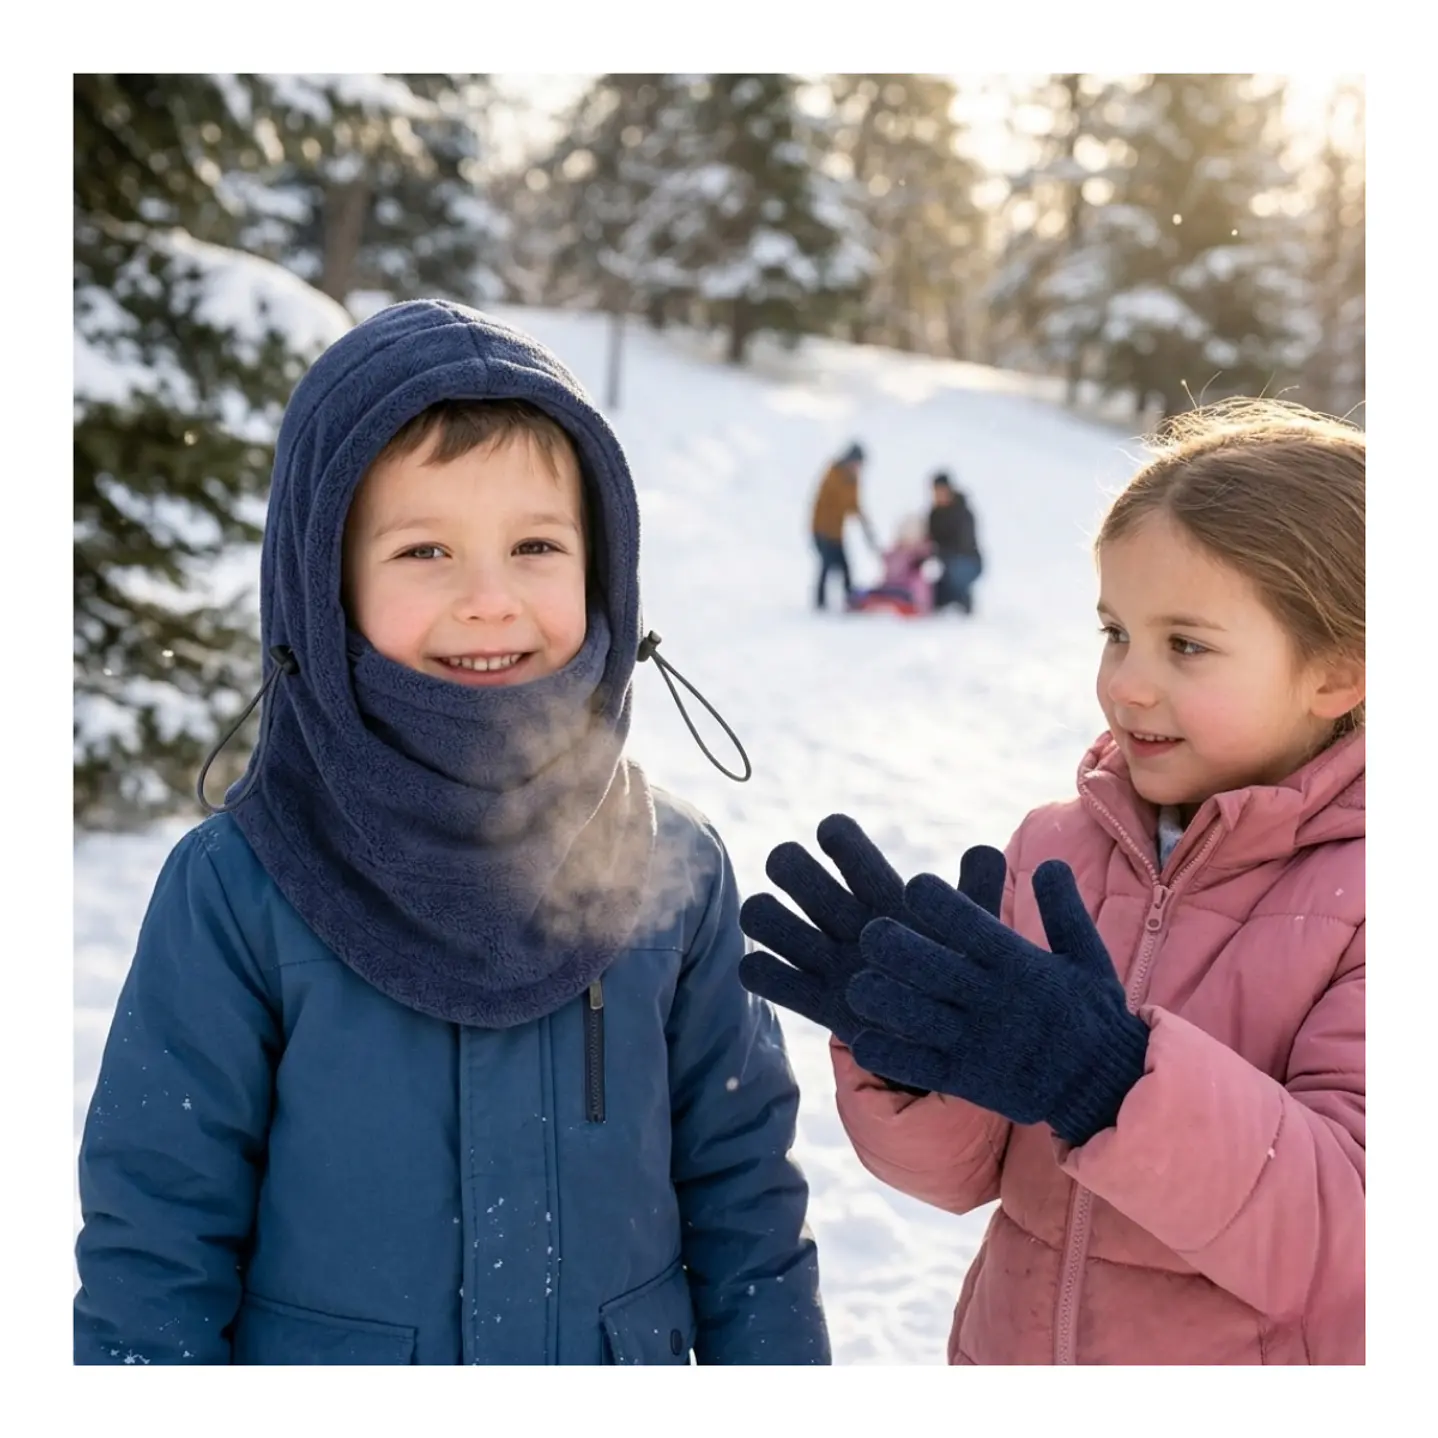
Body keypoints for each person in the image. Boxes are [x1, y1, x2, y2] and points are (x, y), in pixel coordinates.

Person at [74, 300, 830, 1366]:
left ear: (603, 563)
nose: (488, 599)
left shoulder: (673, 869)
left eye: (535, 545)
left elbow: (747, 1211)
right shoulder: (241, 889)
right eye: (425, 549)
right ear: (321, 584)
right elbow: (155, 1246)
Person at [739, 399, 1365, 1364]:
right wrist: (917, 1057)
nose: (1127, 683)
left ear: (1338, 671)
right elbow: (971, 1173)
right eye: (1116, 632)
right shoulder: (1059, 851)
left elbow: (1352, 1241)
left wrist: (1111, 1082)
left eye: (1184, 645)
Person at [810, 440, 878, 610]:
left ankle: (850, 599)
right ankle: (820, 602)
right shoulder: (834, 474)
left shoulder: (853, 480)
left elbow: (854, 504)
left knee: (845, 566)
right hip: (823, 530)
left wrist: (865, 524)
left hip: (837, 533)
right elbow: (834, 503)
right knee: (827, 565)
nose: (858, 467)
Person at [926, 471, 982, 614]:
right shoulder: (934, 514)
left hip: (968, 561)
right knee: (936, 595)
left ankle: (964, 600)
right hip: (946, 563)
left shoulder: (963, 512)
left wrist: (940, 550)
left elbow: (965, 544)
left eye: (941, 491)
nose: (938, 495)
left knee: (957, 573)